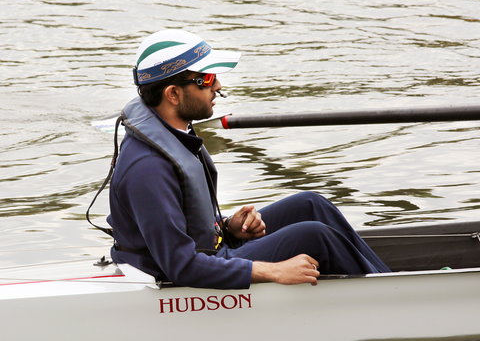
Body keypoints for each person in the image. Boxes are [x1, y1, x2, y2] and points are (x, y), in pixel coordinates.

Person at [106, 29, 390, 289]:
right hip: (175, 273)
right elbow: (180, 265)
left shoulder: (174, 132)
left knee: (311, 204)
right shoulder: (148, 169)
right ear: (173, 94)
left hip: (211, 251)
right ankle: (389, 297)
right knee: (315, 236)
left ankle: (386, 280)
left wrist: (229, 227)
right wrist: (273, 271)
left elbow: (187, 222)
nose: (218, 85)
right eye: (205, 79)